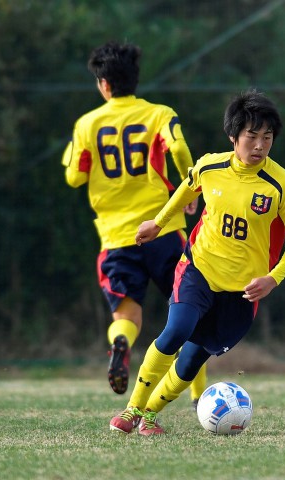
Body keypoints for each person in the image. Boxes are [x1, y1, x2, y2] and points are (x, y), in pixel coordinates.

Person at [109, 90, 285, 436]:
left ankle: (150, 416)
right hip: (198, 270)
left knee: (191, 360)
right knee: (176, 330)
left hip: (242, 292)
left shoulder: (282, 184)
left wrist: (274, 278)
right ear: (234, 136)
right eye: (252, 136)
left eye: (267, 138)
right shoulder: (210, 166)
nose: (260, 145)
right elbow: (187, 188)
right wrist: (157, 223)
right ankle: (132, 410)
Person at [61, 41, 207, 402]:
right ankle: (199, 396)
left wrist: (73, 149)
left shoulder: (87, 124)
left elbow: (74, 178)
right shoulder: (158, 114)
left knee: (126, 313)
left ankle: (121, 343)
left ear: (104, 84)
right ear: (134, 80)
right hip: (163, 229)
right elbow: (177, 148)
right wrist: (191, 188)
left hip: (115, 237)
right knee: (190, 310)